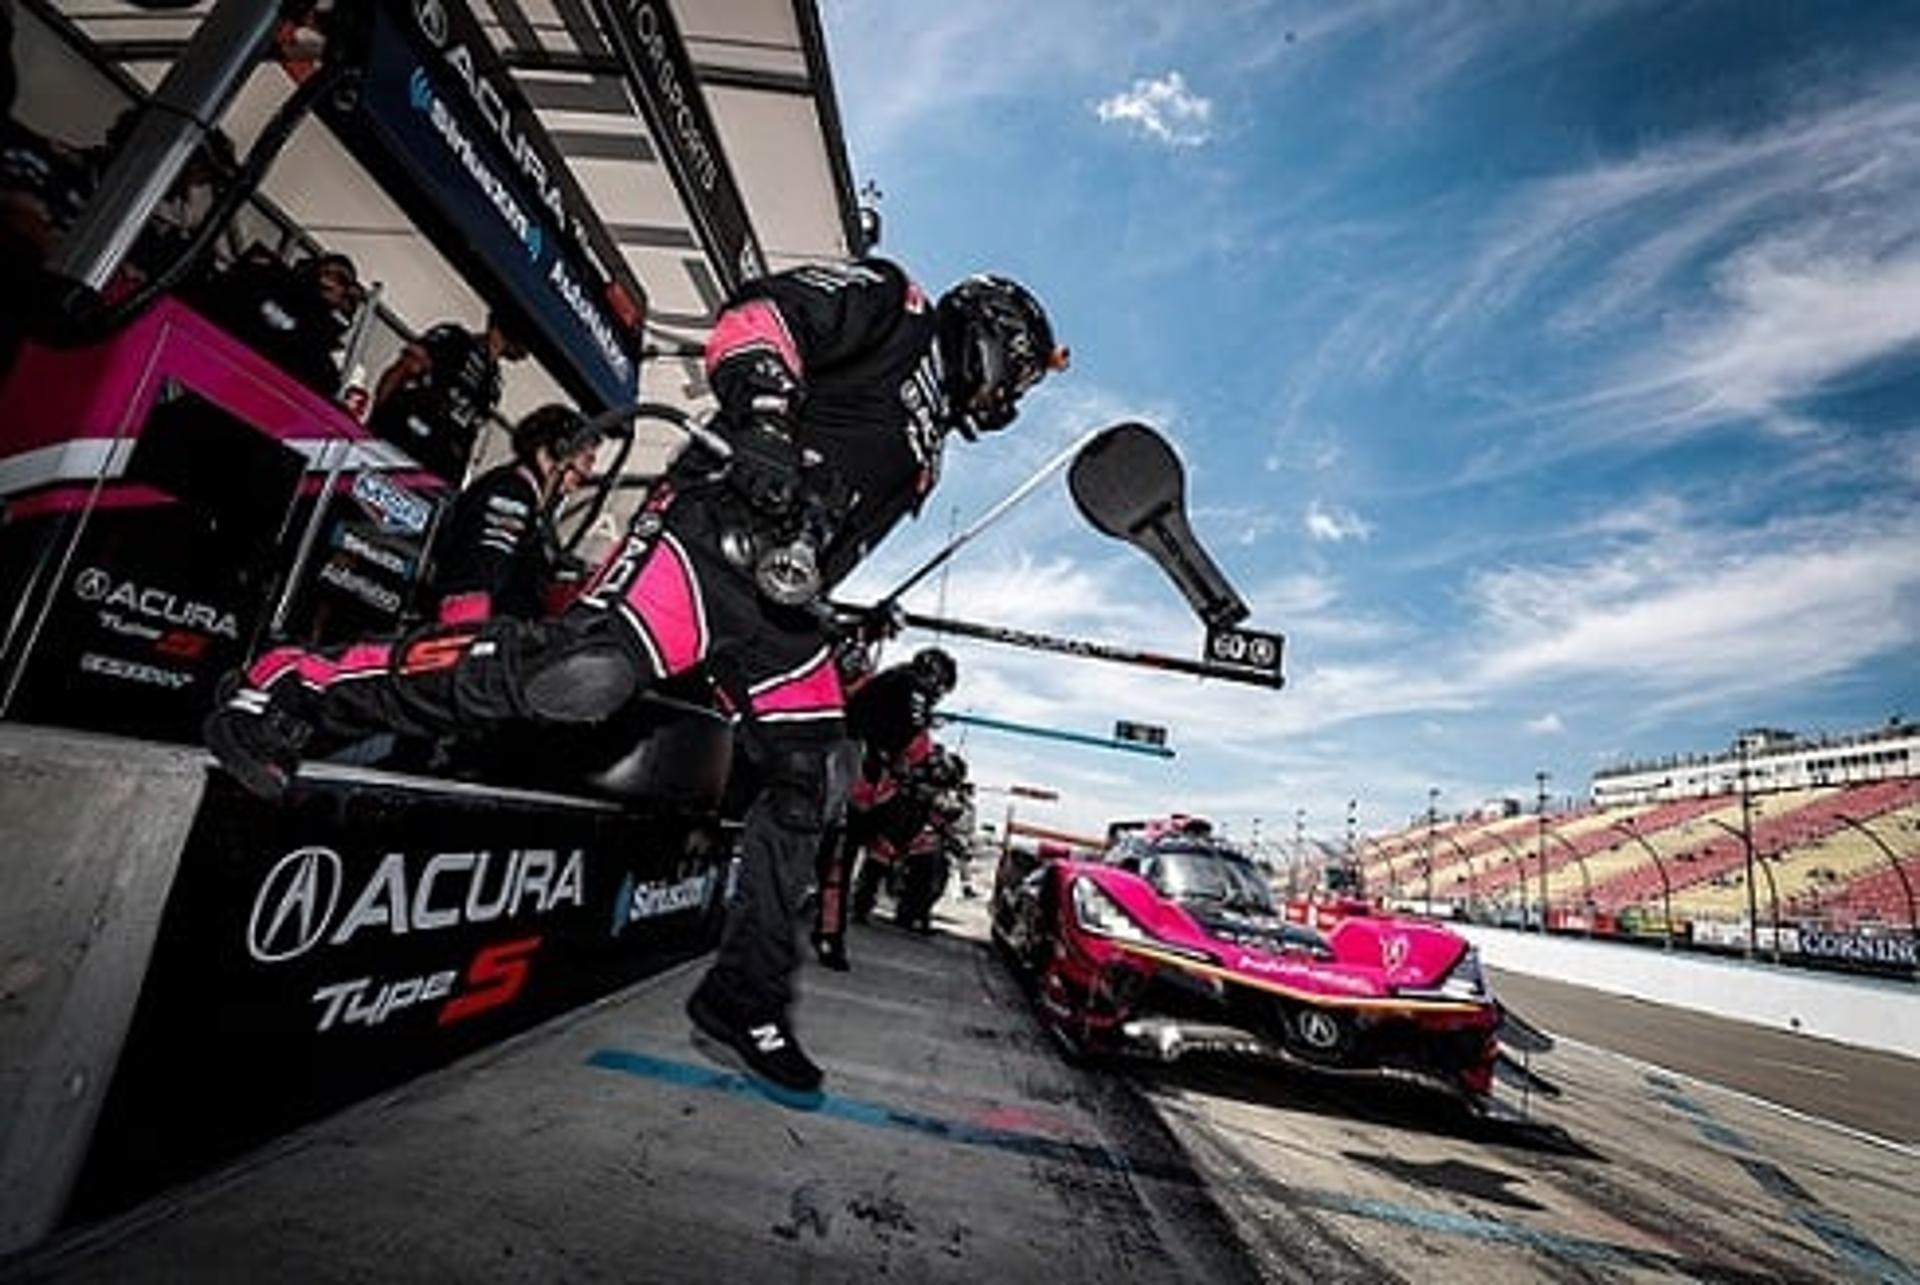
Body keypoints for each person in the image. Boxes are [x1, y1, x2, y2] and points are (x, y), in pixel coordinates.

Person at [205, 259, 1066, 1094]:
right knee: (578, 675)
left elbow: (829, 511)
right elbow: (759, 315)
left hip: (781, 600)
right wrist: (764, 421)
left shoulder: (929, 453)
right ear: (993, 334)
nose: (1014, 395)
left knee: (818, 772)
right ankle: (295, 679)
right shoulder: (898, 303)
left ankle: (744, 994)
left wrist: (845, 612)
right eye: (1019, 371)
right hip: (712, 529)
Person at [813, 645, 957, 969]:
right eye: (942, 686)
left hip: (855, 773)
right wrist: (924, 762)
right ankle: (827, 935)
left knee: (840, 857)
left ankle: (829, 930)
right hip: (851, 773)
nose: (939, 693)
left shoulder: (890, 681)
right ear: (934, 676)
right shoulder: (912, 686)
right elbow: (914, 743)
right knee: (838, 858)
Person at [424, 403, 601, 627]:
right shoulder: (510, 493)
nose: (587, 473)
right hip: (474, 639)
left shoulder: (532, 509)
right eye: (586, 460)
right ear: (556, 450)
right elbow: (479, 577)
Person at [370, 311, 529, 484]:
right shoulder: (453, 339)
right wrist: (374, 423)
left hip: (435, 472)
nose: (528, 351)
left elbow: (470, 435)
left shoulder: (494, 384)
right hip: (396, 444)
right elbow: (402, 370)